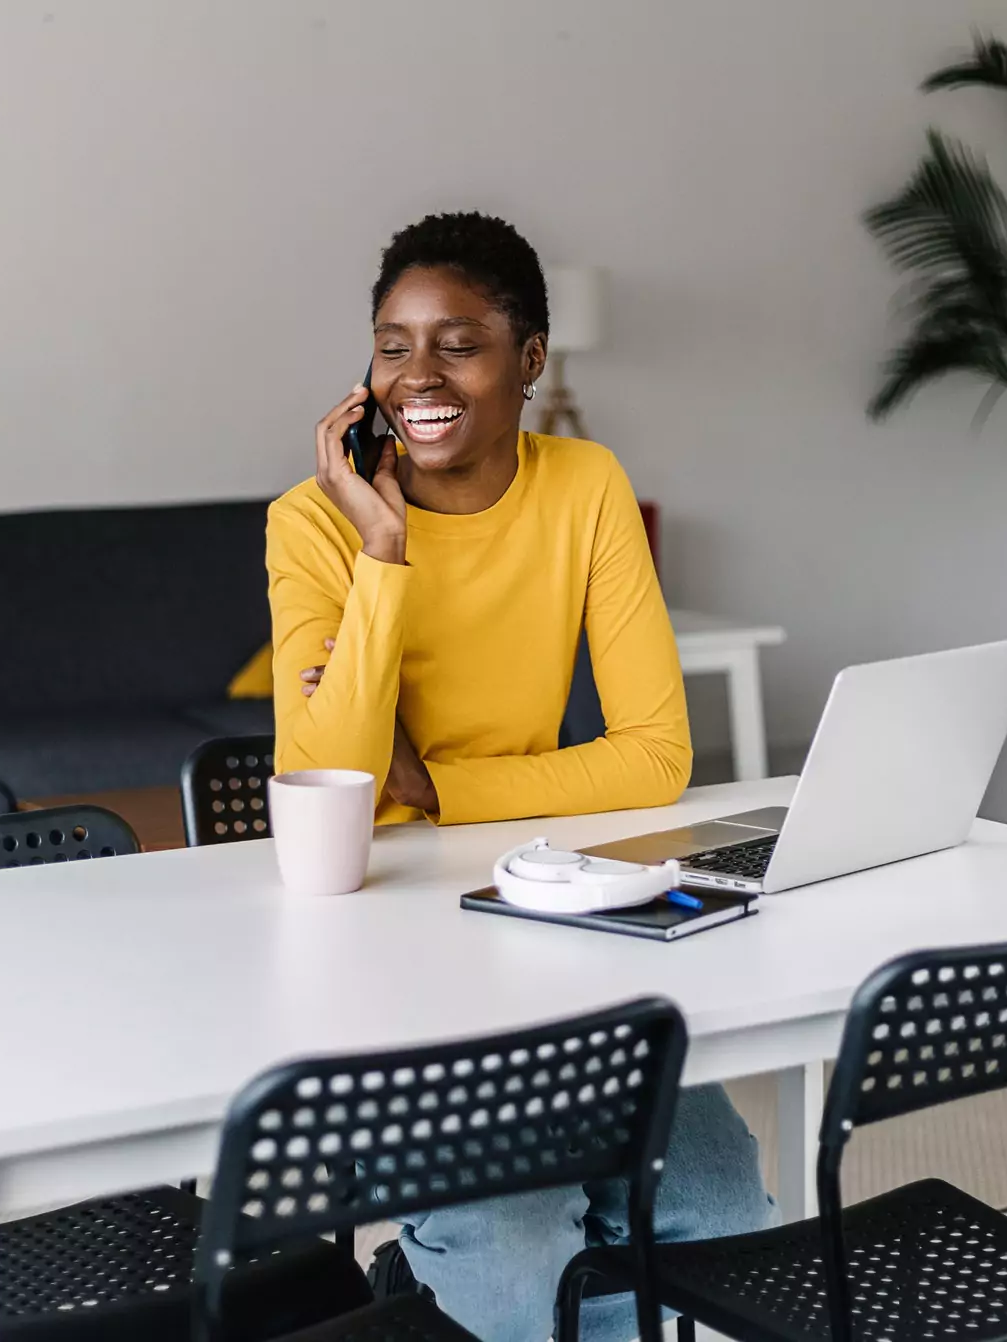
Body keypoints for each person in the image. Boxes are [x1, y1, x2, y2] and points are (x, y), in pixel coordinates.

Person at [264, 211, 772, 1342]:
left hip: (549, 906)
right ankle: (432, 1284)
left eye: (459, 341)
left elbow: (655, 756)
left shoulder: (583, 486)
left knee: (720, 1204)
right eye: (392, 345)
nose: (418, 375)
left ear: (529, 358)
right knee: (514, 1239)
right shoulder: (312, 525)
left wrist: (438, 788)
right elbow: (327, 780)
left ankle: (422, 1291)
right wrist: (381, 554)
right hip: (384, 942)